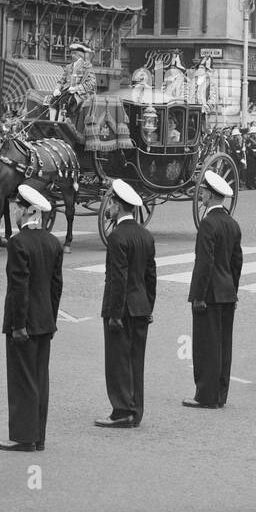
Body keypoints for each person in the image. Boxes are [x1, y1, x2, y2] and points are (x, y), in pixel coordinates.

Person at [0, 184, 63, 452]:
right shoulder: (51, 241)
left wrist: (18, 324)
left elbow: (18, 288)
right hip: (45, 320)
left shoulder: (18, 242)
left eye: (17, 207)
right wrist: (50, 318)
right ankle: (38, 436)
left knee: (21, 380)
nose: (14, 211)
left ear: (26, 211)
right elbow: (56, 286)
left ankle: (23, 437)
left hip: (24, 323)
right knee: (39, 378)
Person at [96, 179, 157, 428]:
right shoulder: (145, 235)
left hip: (122, 309)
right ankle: (136, 410)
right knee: (136, 361)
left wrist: (114, 313)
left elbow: (117, 278)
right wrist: (149, 306)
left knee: (118, 362)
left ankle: (121, 411)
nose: (108, 207)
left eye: (110, 202)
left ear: (119, 206)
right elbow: (150, 276)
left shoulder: (117, 237)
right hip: (141, 306)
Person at [184, 170, 243, 408]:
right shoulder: (232, 222)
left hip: (209, 293)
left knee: (206, 346)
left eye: (203, 191)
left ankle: (205, 395)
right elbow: (236, 262)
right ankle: (220, 393)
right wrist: (232, 290)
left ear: (209, 194)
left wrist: (198, 295)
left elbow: (204, 263)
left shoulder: (208, 223)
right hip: (227, 291)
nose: (201, 194)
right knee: (223, 345)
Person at [49, 41, 96, 123]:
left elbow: (91, 83)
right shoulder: (68, 67)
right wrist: (57, 89)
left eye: (75, 53)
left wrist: (77, 89)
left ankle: (60, 123)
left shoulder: (87, 68)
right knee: (53, 101)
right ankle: (51, 122)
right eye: (72, 53)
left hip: (80, 94)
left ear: (80, 55)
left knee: (64, 101)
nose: (72, 55)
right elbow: (61, 81)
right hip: (66, 91)